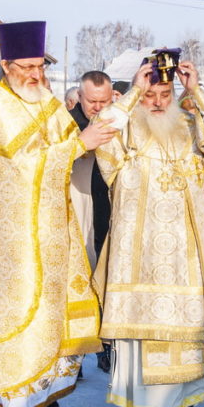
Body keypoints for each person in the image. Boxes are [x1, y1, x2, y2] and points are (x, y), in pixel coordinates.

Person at [0, 20, 115, 407]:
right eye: (27, 66)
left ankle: (44, 395)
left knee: (52, 314)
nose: (36, 74)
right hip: (12, 239)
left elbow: (82, 137)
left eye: (40, 66)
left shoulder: (47, 101)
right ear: (6, 63)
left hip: (52, 228)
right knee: (18, 314)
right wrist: (78, 145)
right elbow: (22, 166)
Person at [93, 54, 204, 407]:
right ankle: (142, 405)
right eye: (150, 93)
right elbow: (98, 129)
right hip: (139, 249)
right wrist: (132, 91)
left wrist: (196, 90)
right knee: (142, 328)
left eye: (164, 92)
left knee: (187, 330)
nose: (157, 101)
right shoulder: (125, 127)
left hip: (186, 250)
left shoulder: (191, 123)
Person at [69, 70, 116, 373]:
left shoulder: (118, 123)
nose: (97, 108)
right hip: (78, 211)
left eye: (104, 101)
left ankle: (105, 346)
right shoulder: (67, 123)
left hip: (110, 211)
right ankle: (75, 351)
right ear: (80, 96)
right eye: (91, 101)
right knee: (79, 280)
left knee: (107, 278)